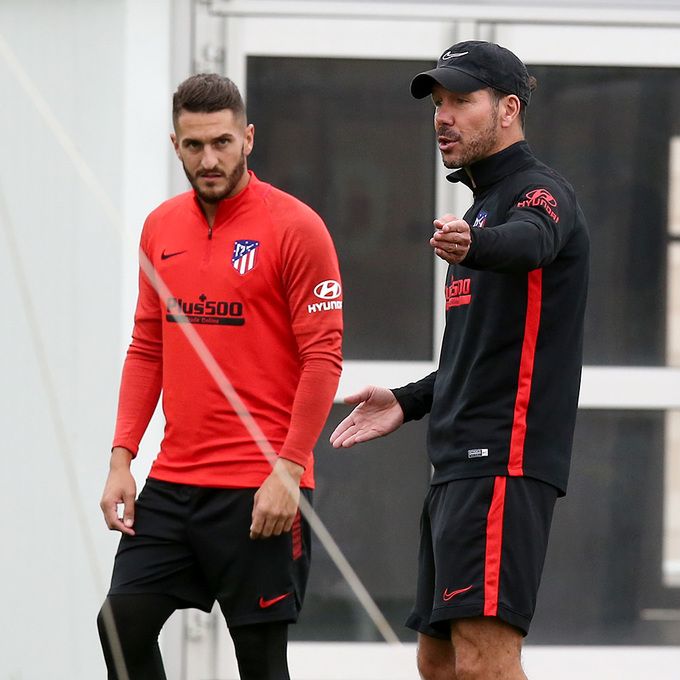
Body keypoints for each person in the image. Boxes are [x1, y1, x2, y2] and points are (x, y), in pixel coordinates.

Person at [330, 41, 589, 680]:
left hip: (504, 458)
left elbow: (530, 241)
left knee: (484, 663)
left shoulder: (537, 193)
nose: (443, 116)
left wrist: (479, 244)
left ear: (508, 109)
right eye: (438, 103)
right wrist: (409, 401)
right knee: (439, 662)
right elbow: (476, 358)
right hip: (458, 461)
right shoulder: (479, 205)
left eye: (461, 101)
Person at [97, 73, 343, 680]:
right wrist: (122, 457)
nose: (210, 159)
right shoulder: (160, 228)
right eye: (194, 145)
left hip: (261, 486)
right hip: (174, 482)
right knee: (119, 625)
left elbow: (323, 358)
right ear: (175, 145)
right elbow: (147, 346)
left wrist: (289, 470)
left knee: (260, 663)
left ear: (249, 139)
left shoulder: (296, 227)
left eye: (223, 142)